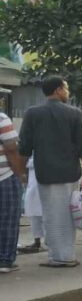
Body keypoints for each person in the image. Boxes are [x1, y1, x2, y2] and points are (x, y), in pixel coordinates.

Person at [18, 76, 82, 268]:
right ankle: (67, 255)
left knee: (51, 214)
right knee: (68, 214)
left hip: (46, 173)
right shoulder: (75, 114)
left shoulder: (32, 113)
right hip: (70, 173)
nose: (68, 92)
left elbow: (24, 147)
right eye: (66, 89)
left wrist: (21, 172)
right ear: (58, 90)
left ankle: (58, 256)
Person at [0, 110, 25, 274]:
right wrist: (20, 173)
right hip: (4, 176)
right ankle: (5, 259)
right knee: (8, 218)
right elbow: (11, 148)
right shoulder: (1, 118)